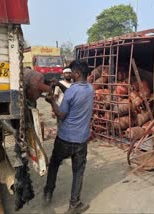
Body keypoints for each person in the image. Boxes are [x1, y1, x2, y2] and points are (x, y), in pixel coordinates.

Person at [43, 60, 94, 214]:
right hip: (81, 139)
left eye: (71, 72)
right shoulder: (90, 89)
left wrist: (52, 101)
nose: (69, 74)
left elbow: (61, 114)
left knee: (54, 164)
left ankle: (48, 193)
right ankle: (74, 204)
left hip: (65, 138)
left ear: (77, 73)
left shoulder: (72, 91)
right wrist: (58, 85)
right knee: (78, 171)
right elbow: (73, 91)